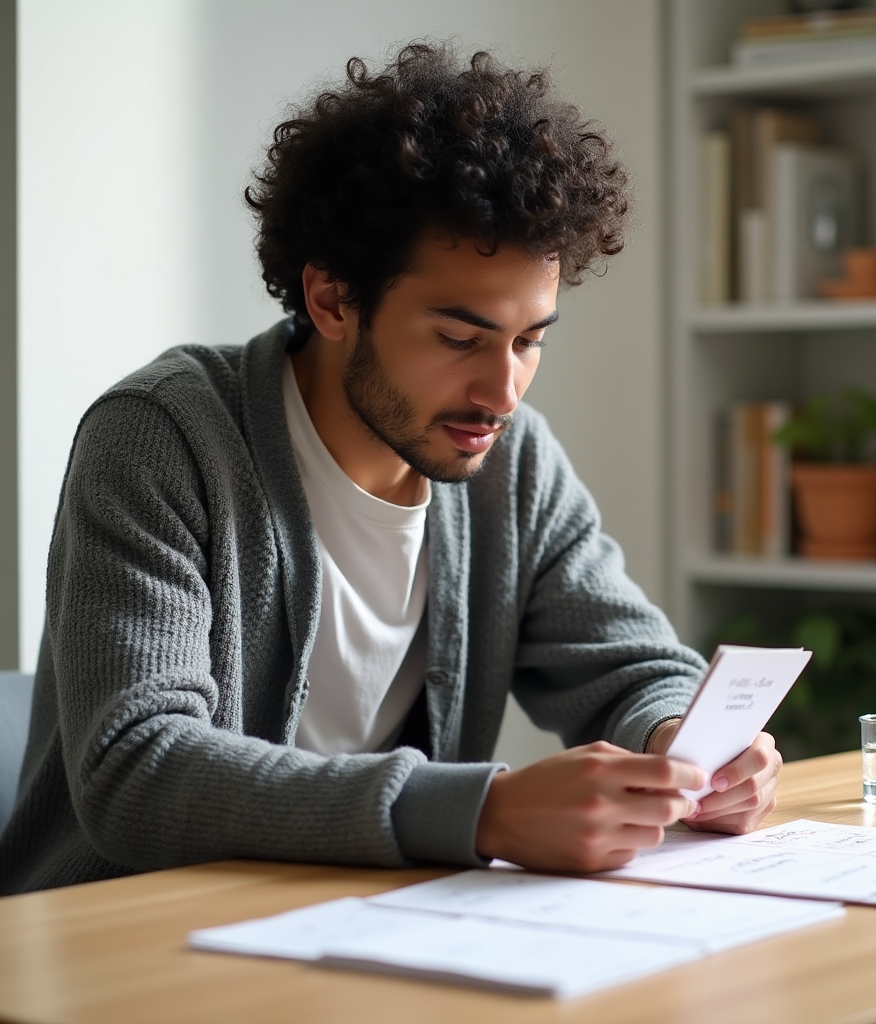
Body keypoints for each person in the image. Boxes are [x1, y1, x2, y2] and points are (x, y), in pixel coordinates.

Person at [0, 43, 780, 895]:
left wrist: (684, 741)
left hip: (362, 932)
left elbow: (630, 667)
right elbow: (136, 771)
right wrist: (484, 813)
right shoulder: (163, 438)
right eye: (459, 338)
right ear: (332, 299)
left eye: (530, 342)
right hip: (125, 944)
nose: (503, 390)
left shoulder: (511, 462)